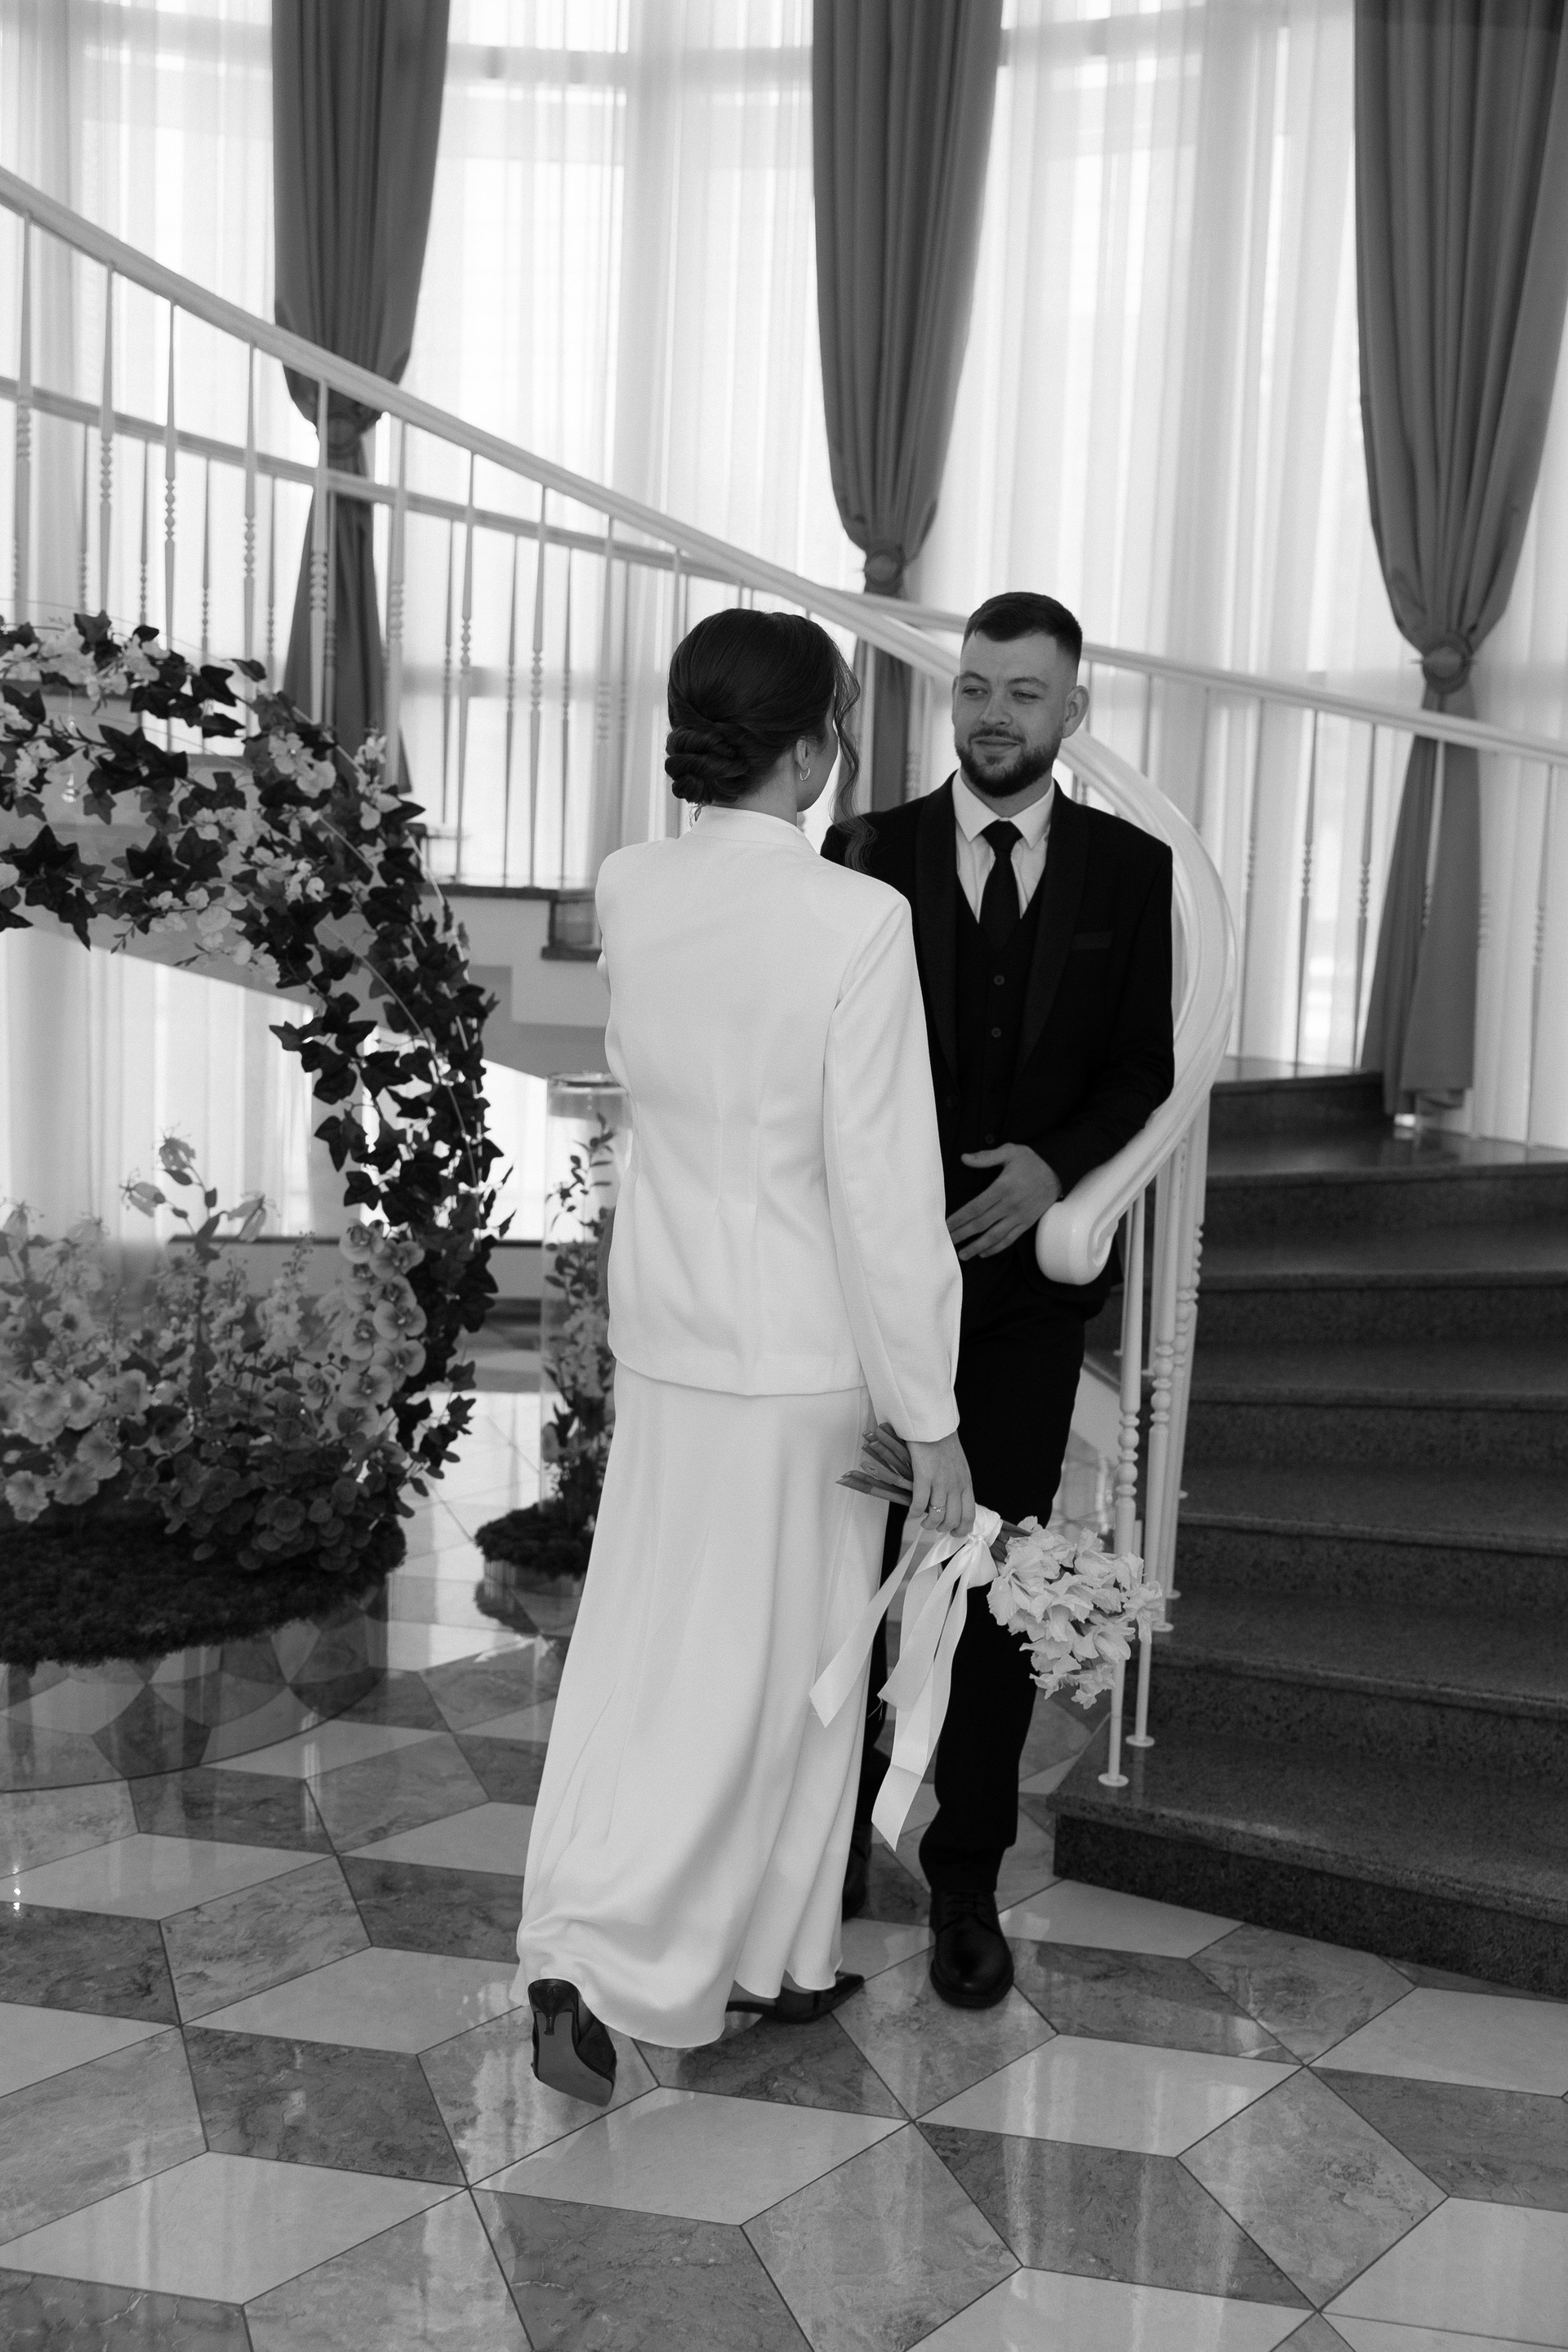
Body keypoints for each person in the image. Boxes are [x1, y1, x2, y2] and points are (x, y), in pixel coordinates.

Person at [516, 608, 973, 2104]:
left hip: (671, 1343)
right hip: (801, 1365)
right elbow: (883, 1191)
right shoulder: (858, 919)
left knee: (649, 1652)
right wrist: (931, 1412)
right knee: (782, 1679)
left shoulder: (634, 884)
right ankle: (614, 1960)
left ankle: (768, 1957)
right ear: (810, 748)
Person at [823, 590, 1174, 2010]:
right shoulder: (862, 853)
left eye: (1024, 693)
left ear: (1072, 711)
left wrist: (1054, 1168)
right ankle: (824, 1843)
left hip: (1027, 1297)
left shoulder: (1131, 871)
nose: (992, 715)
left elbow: (1144, 1068)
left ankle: (964, 1871)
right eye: (974, 686)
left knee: (994, 1575)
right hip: (870, 1285)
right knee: (850, 1560)